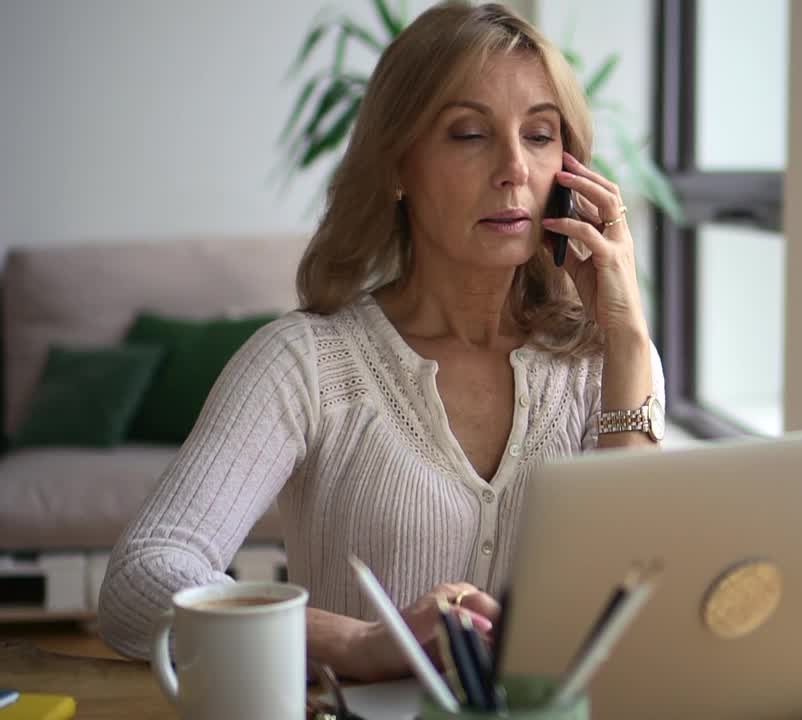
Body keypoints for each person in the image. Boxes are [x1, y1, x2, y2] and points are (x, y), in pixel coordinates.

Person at [98, 1, 664, 682]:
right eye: (468, 134)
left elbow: (628, 616)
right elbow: (140, 580)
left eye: (540, 135)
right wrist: (358, 642)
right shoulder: (306, 362)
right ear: (398, 166)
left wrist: (629, 339)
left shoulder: (607, 365)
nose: (514, 168)